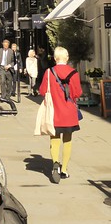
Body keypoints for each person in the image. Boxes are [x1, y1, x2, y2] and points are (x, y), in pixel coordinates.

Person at [39, 46, 82, 183]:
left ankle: (55, 163)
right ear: (67, 58)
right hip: (69, 112)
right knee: (68, 140)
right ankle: (64, 170)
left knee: (54, 138)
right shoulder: (73, 73)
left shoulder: (49, 72)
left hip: (54, 112)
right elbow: (77, 93)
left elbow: (42, 91)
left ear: (55, 58)